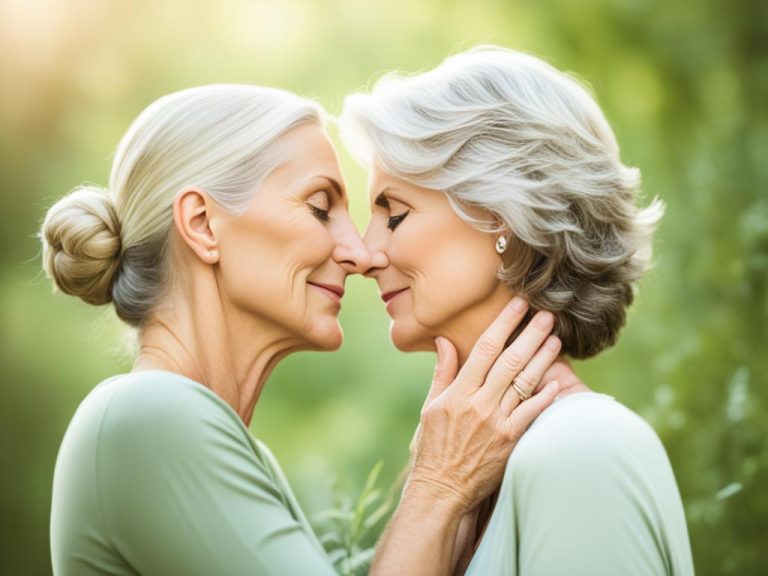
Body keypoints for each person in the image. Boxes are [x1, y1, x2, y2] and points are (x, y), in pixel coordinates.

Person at [41, 83, 565, 576]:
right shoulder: (150, 418)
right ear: (202, 225)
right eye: (320, 208)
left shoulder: (214, 439)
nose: (358, 253)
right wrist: (440, 482)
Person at [341, 46, 695, 575]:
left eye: (394, 214)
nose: (366, 255)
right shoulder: (471, 477)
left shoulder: (581, 449)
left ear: (499, 216)